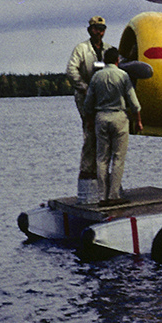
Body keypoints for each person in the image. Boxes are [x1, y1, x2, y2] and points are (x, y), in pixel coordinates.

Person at [83, 47, 143, 203]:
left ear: (104, 61)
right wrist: (138, 121)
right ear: (117, 60)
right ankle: (114, 195)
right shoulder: (123, 76)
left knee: (102, 158)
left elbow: (88, 103)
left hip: (101, 118)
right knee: (118, 157)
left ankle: (102, 196)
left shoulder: (96, 77)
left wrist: (89, 121)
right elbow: (134, 103)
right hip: (119, 118)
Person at [66, 16, 108, 192]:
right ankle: (87, 170)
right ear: (90, 30)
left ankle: (102, 171)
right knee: (90, 132)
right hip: (85, 97)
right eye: (96, 28)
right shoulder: (81, 49)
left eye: (102, 28)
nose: (99, 31)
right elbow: (71, 70)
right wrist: (84, 87)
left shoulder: (109, 49)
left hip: (103, 97)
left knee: (104, 133)